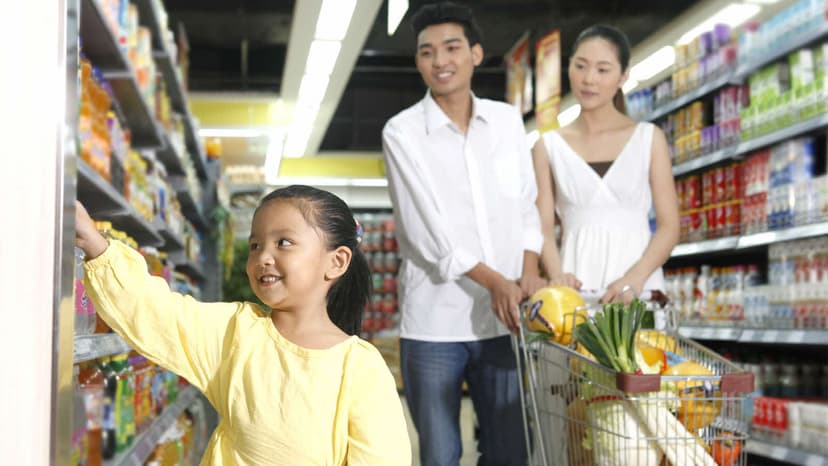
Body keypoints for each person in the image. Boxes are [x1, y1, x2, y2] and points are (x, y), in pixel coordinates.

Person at [74, 185, 411, 466]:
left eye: (284, 243)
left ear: (336, 261)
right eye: (255, 245)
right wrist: (96, 245)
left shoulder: (359, 367)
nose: (263, 256)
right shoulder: (237, 332)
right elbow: (156, 313)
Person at [381, 2, 545, 465]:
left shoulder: (508, 122)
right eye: (427, 52)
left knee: (509, 451)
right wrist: (497, 281)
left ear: (476, 54)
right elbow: (427, 233)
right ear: (418, 63)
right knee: (440, 453)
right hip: (435, 322)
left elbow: (527, 206)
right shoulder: (403, 132)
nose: (440, 61)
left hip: (505, 318)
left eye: (451, 48)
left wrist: (528, 271)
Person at [530, 24, 680, 304]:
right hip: (575, 290)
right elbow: (543, 228)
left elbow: (669, 226)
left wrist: (636, 277)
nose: (589, 79)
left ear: (623, 76)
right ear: (569, 68)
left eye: (602, 70)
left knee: (641, 348)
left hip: (640, 287)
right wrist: (557, 275)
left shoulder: (649, 138)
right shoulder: (547, 146)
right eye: (581, 66)